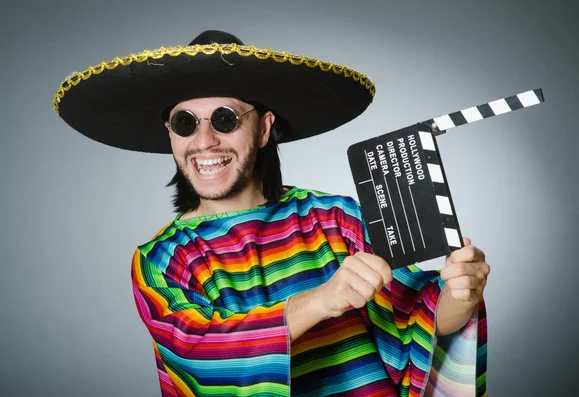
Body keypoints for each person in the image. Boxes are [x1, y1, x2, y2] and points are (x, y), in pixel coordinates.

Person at [55, 30, 490, 397]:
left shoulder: (334, 218)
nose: (204, 141)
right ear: (170, 135)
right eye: (186, 123)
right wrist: (321, 300)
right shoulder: (161, 260)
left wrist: (459, 294)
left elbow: (417, 318)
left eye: (225, 119)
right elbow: (200, 358)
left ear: (263, 128)